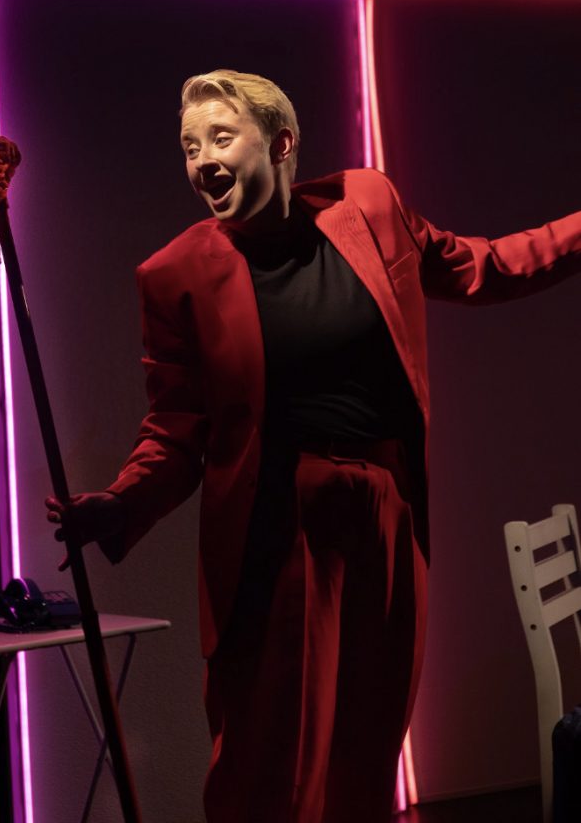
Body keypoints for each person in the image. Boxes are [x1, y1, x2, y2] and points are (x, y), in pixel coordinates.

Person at [46, 70, 581, 822]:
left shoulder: (368, 205)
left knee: (368, 741)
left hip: (388, 502)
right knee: (269, 760)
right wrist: (119, 502)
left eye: (221, 137)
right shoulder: (174, 278)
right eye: (190, 146)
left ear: (281, 143)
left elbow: (482, 267)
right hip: (277, 519)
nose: (202, 159)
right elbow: (174, 430)